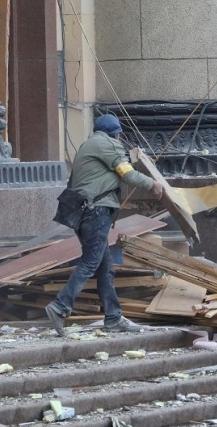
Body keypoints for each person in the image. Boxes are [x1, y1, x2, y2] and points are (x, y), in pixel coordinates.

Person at [45, 114, 163, 336]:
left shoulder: (88, 144)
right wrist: (152, 184)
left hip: (81, 212)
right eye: (119, 135)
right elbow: (126, 173)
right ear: (117, 133)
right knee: (91, 262)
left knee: (104, 267)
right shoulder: (108, 144)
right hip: (95, 212)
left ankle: (113, 317)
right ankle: (60, 306)